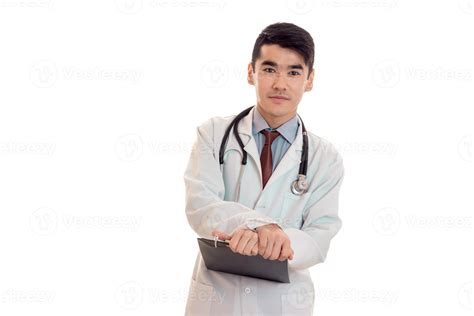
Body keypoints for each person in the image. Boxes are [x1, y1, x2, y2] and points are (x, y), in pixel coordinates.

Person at [184, 22, 344, 315]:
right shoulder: (213, 134)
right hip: (217, 301)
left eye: (294, 72)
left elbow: (320, 236)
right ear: (250, 73)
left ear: (309, 79)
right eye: (269, 69)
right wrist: (261, 226)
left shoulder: (326, 158)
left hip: (282, 304)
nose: (280, 84)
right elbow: (200, 206)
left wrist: (278, 241)